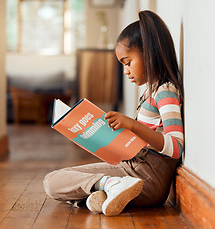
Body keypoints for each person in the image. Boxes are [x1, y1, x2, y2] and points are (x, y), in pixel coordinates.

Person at [43, 10, 184, 216]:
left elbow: (176, 148)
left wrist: (133, 125)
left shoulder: (165, 92)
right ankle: (107, 191)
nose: (126, 70)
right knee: (54, 181)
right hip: (133, 169)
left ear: (149, 53)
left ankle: (109, 185)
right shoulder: (150, 92)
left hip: (146, 179)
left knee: (52, 181)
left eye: (128, 62)